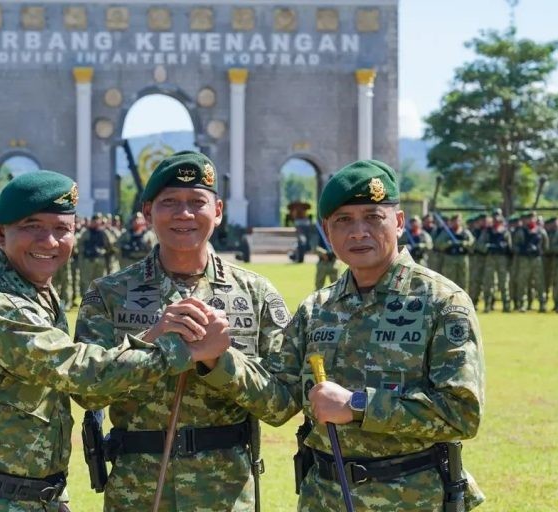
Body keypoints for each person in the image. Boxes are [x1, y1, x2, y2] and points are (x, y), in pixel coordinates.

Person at [0, 170, 230, 512]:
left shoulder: (34, 292)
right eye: (32, 226)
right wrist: (180, 347)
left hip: (31, 495)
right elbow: (78, 371)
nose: (48, 241)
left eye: (61, 229)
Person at [201, 160, 486, 511]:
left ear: (398, 222)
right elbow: (279, 400)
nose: (358, 232)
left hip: (410, 499)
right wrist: (218, 359)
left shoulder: (441, 302)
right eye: (343, 221)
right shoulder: (316, 309)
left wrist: (356, 405)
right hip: (322, 497)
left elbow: (461, 413)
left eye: (372, 217)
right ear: (327, 230)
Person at [74, 151, 291, 511]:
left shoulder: (256, 294)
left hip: (225, 491)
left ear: (218, 211)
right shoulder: (109, 294)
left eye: (196, 202)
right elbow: (86, 392)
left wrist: (219, 361)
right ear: (147, 213)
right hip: (138, 490)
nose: (184, 214)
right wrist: (153, 340)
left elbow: (282, 403)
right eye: (169, 203)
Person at [512, 211, 549, 312]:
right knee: (522, 282)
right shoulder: (520, 231)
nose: (530, 220)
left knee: (540, 282)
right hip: (524, 259)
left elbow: (546, 247)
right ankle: (522, 304)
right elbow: (514, 246)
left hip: (537, 259)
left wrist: (538, 250)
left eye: (532, 218)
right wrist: (523, 249)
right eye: (528, 218)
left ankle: (542, 304)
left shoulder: (541, 231)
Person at [476, 210, 512, 312]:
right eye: (494, 217)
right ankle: (488, 305)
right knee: (489, 283)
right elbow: (479, 245)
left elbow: (510, 247)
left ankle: (506, 305)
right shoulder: (487, 231)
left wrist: (504, 247)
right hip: (490, 258)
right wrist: (488, 247)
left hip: (502, 259)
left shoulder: (505, 232)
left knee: (504, 282)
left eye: (498, 216)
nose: (496, 219)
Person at [435, 213, 474, 291]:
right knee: (449, 281)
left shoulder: (465, 232)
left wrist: (464, 243)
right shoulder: (446, 232)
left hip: (462, 258)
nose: (457, 223)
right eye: (454, 221)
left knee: (463, 280)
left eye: (458, 221)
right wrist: (449, 244)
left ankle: (463, 301)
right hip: (450, 258)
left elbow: (472, 243)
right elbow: (438, 244)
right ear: (451, 222)